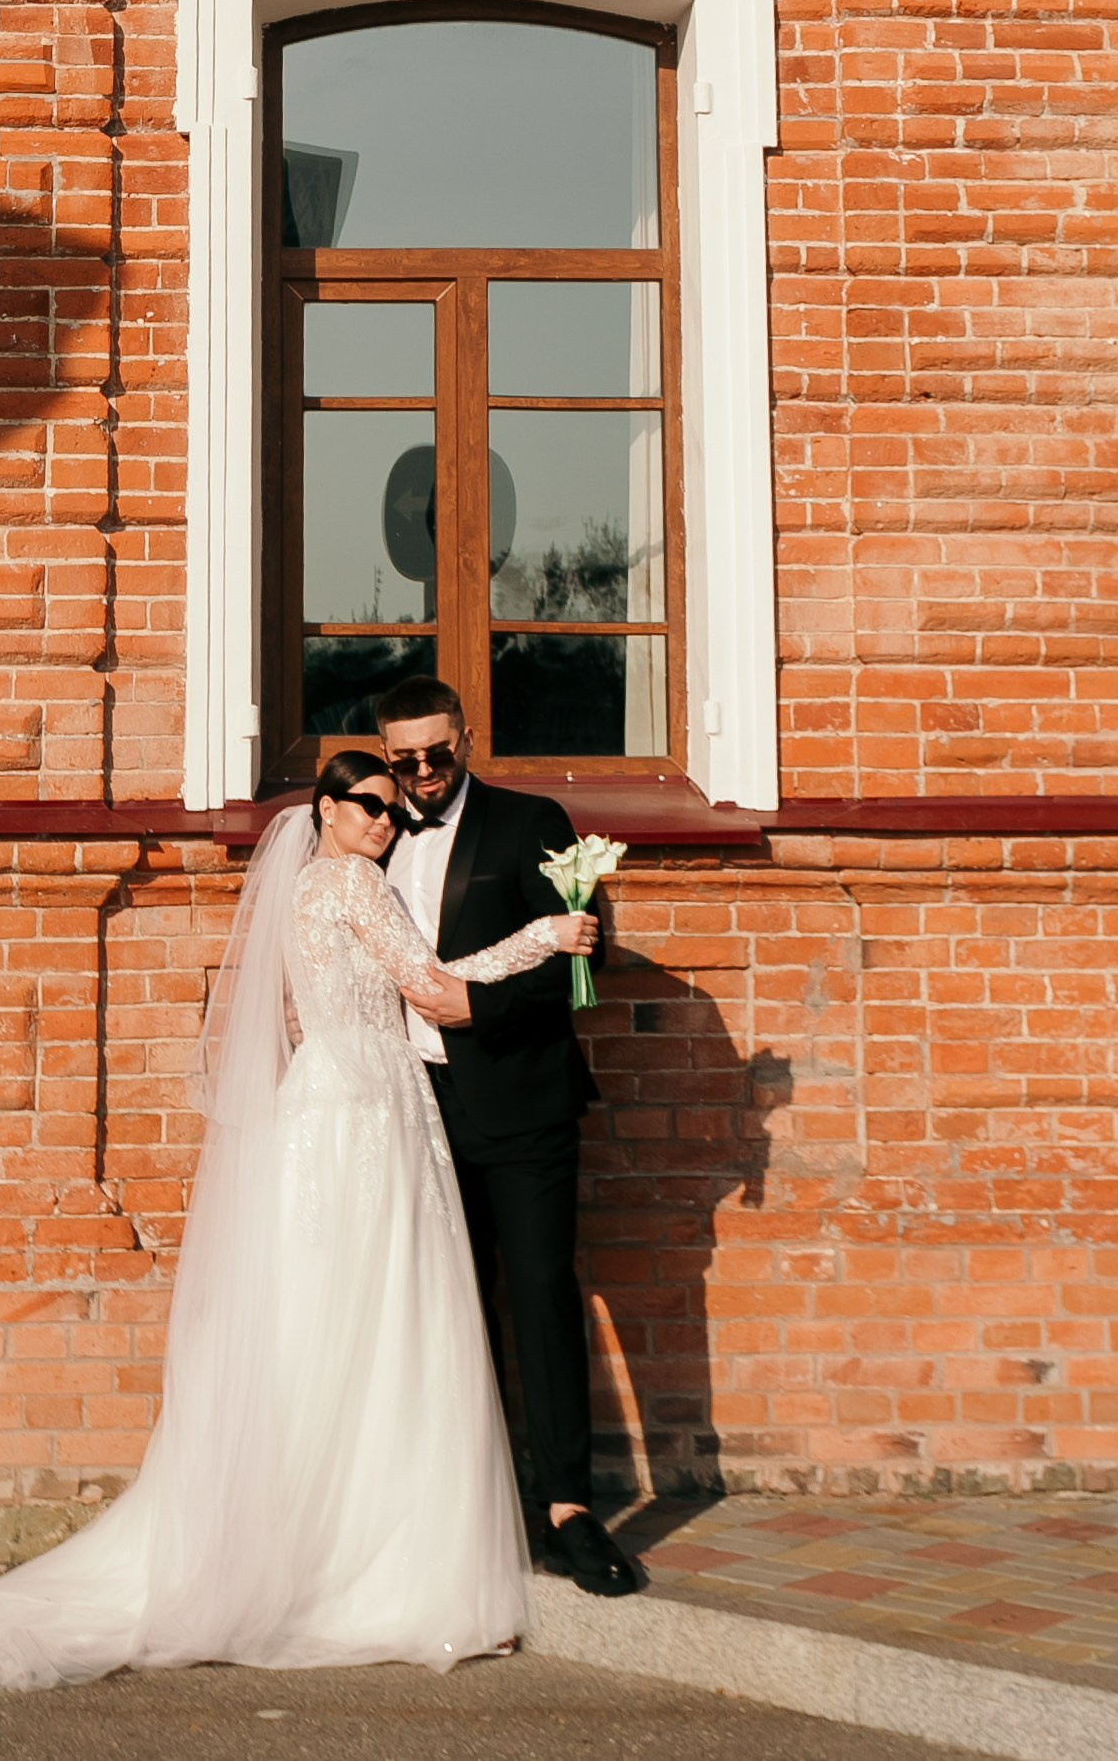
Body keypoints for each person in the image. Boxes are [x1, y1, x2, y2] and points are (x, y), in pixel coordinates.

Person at [0, 751, 598, 1713]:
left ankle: (309, 1547)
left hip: (325, 1104)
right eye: (370, 805)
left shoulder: (307, 887)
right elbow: (427, 984)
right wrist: (545, 934)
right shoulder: (350, 879)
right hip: (367, 1112)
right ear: (329, 810)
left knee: (322, 1323)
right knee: (380, 1323)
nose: (387, 822)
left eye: (394, 811)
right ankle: (368, 1569)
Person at [375, 676, 643, 1599]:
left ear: (466, 738)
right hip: (410, 1111)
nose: (420, 774)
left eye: (435, 754)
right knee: (447, 1311)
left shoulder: (535, 817)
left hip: (522, 1106)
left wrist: (475, 1004)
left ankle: (568, 1507)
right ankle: (474, 1508)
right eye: (402, 759)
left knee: (538, 1295)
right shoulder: (369, 836)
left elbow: (582, 952)